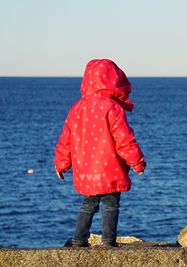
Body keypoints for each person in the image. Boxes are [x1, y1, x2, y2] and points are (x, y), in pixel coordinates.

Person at [54, 59, 146, 247]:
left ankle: (79, 240)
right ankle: (108, 241)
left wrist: (61, 163)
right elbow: (124, 139)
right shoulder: (113, 108)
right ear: (114, 81)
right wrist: (137, 162)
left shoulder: (77, 108)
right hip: (110, 169)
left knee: (88, 205)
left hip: (86, 171)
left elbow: (66, 140)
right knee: (111, 205)